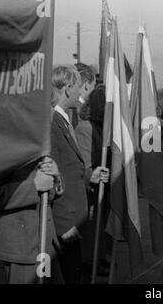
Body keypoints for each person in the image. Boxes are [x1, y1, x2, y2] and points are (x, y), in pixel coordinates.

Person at [50, 65, 108, 284]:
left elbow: (70, 168)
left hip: (74, 217)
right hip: (66, 223)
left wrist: (88, 177)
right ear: (67, 89)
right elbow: (54, 177)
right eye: (78, 88)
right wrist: (65, 225)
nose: (82, 93)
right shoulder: (53, 122)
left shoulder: (63, 119)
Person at [0, 158, 64, 284]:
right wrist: (35, 186)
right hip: (22, 248)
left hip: (45, 242)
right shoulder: (7, 148)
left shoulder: (38, 145)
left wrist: (55, 177)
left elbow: (47, 194)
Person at [74, 85, 110, 278]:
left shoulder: (105, 126)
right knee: (91, 225)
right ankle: (91, 261)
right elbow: (84, 164)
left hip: (104, 186)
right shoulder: (86, 127)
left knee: (101, 222)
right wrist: (94, 175)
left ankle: (100, 256)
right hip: (91, 189)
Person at [70, 63, 96, 128]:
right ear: (87, 84)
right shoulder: (78, 108)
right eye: (94, 85)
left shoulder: (71, 105)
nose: (94, 89)